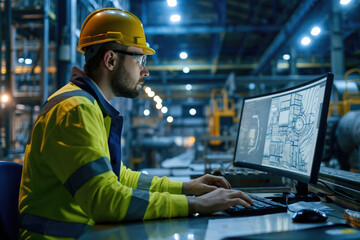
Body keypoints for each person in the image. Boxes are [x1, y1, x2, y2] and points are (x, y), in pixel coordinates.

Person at [18, 8, 253, 239]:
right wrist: (195, 204)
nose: (145, 71)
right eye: (140, 59)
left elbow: (120, 178)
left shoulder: (88, 106)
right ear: (110, 59)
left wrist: (187, 188)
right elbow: (106, 200)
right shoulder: (75, 109)